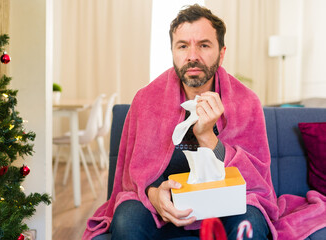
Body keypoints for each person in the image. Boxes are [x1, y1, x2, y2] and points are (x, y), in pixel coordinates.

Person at [83, 4, 280, 240]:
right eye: (183, 46)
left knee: (250, 224)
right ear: (173, 51)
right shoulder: (146, 100)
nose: (192, 56)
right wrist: (154, 195)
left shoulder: (246, 102)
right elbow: (134, 174)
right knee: (126, 219)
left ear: (222, 52)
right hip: (161, 206)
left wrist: (207, 136)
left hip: (224, 206)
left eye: (204, 45)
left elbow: (255, 180)